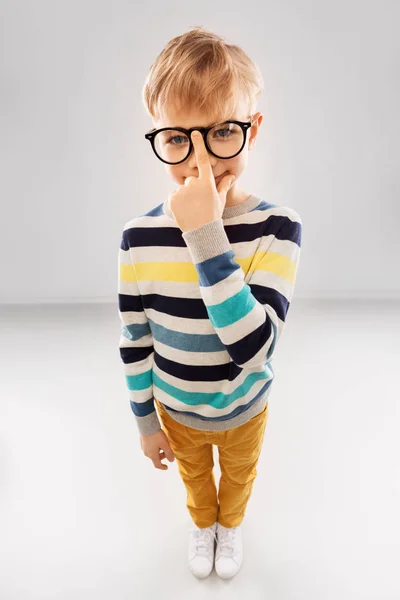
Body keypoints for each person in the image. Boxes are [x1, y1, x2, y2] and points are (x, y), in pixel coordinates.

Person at [118, 26, 303, 580]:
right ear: (157, 136)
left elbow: (254, 349)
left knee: (238, 476)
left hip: (246, 407)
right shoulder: (138, 237)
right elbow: (136, 340)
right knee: (196, 479)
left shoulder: (278, 229)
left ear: (253, 129)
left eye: (223, 131)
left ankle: (232, 523)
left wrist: (204, 235)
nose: (201, 162)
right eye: (177, 138)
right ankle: (205, 525)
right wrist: (145, 421)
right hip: (177, 411)